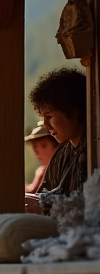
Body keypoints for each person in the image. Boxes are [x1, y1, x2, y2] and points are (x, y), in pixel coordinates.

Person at [26, 67, 88, 212]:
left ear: (73, 113)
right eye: (43, 118)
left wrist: (45, 204)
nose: (46, 126)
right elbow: (45, 193)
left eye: (49, 117)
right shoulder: (62, 154)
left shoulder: (94, 150)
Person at [24, 121, 58, 194]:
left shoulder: (61, 171)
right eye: (35, 147)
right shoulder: (41, 171)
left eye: (43, 146)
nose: (37, 151)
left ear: (57, 146)